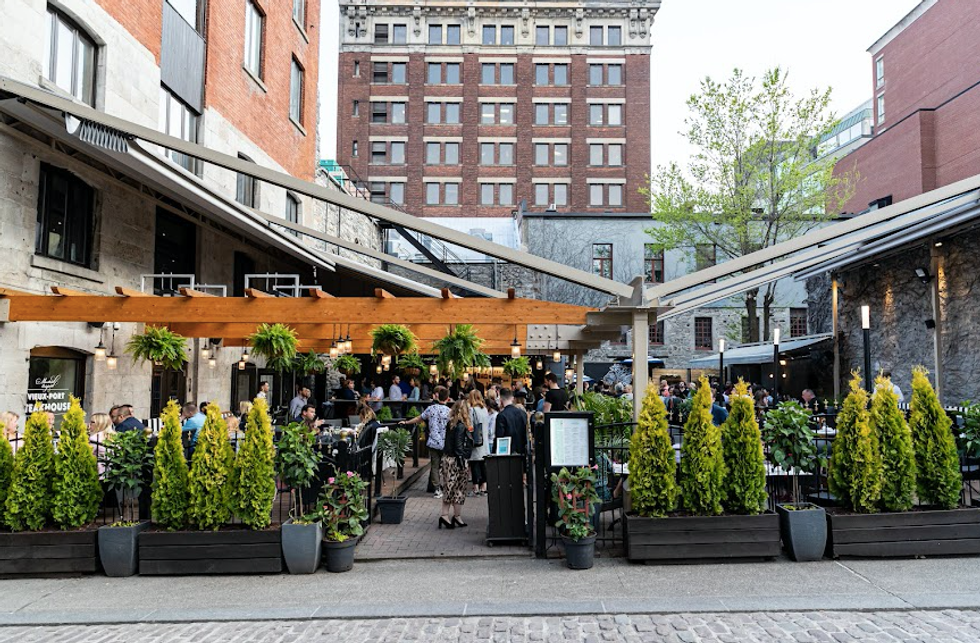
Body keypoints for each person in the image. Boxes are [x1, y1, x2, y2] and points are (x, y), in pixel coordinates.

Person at [403, 386, 452, 498]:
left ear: (437, 396)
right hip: (445, 443)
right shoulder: (449, 412)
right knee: (446, 466)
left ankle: (437, 489)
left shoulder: (431, 409)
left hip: (433, 442)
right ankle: (446, 487)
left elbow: (419, 418)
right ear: (447, 398)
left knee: (434, 466)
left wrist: (407, 422)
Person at [439, 399, 472, 529]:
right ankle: (455, 516)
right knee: (458, 489)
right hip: (457, 461)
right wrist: (463, 461)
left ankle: (446, 515)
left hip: (448, 459)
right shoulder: (461, 426)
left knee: (449, 488)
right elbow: (459, 446)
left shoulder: (451, 424)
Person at [468, 390, 491, 496]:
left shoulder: (472, 410)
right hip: (484, 440)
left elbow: (470, 425)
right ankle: (484, 485)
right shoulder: (485, 409)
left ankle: (476, 487)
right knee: (483, 464)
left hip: (476, 440)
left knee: (474, 463)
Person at [494, 388, 529, 455]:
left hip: (507, 453)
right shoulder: (522, 413)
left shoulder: (501, 415)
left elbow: (499, 437)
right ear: (512, 399)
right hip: (521, 452)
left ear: (501, 400)